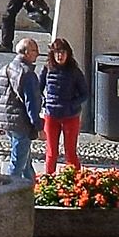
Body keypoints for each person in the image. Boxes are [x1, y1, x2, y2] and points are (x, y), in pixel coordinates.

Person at [0, 35, 43, 178]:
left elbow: (0, 97)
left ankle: (32, 190)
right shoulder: (27, 74)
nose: (38, 53)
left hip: (9, 122)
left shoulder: (6, 69)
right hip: (21, 123)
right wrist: (39, 127)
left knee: (25, 163)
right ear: (26, 52)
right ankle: (8, 193)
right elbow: (31, 103)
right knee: (17, 165)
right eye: (34, 50)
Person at [40, 37, 87, 174]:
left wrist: (72, 105)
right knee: (51, 152)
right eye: (57, 52)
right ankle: (48, 180)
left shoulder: (74, 72)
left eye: (63, 52)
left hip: (70, 116)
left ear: (68, 54)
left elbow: (84, 93)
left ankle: (75, 181)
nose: (60, 56)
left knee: (70, 152)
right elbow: (38, 88)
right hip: (51, 115)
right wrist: (44, 102)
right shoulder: (47, 69)